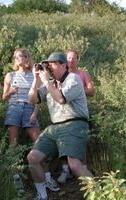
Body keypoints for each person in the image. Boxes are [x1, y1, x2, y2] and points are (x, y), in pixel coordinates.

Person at [27, 52, 93, 200]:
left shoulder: (73, 79)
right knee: (33, 157)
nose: (49, 66)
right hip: (55, 126)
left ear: (63, 65)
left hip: (74, 122)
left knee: (75, 165)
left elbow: (61, 99)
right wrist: (36, 80)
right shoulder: (51, 83)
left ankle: (99, 194)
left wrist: (46, 81)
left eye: (53, 63)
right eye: (47, 64)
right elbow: (32, 100)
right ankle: (42, 196)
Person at [2, 48, 59, 195]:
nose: (21, 58)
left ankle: (47, 178)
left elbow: (37, 99)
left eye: (24, 55)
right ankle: (16, 180)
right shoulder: (10, 75)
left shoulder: (35, 75)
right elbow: (4, 97)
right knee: (13, 145)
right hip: (14, 108)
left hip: (29, 109)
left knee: (39, 144)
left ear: (28, 58)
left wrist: (35, 113)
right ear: (15, 60)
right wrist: (11, 92)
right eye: (18, 56)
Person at [57, 49, 95, 184]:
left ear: (78, 60)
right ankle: (65, 170)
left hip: (78, 112)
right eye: (68, 58)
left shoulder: (83, 74)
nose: (71, 60)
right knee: (62, 140)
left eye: (74, 58)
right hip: (62, 113)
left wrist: (76, 89)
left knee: (80, 141)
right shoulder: (60, 75)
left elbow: (91, 91)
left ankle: (83, 169)